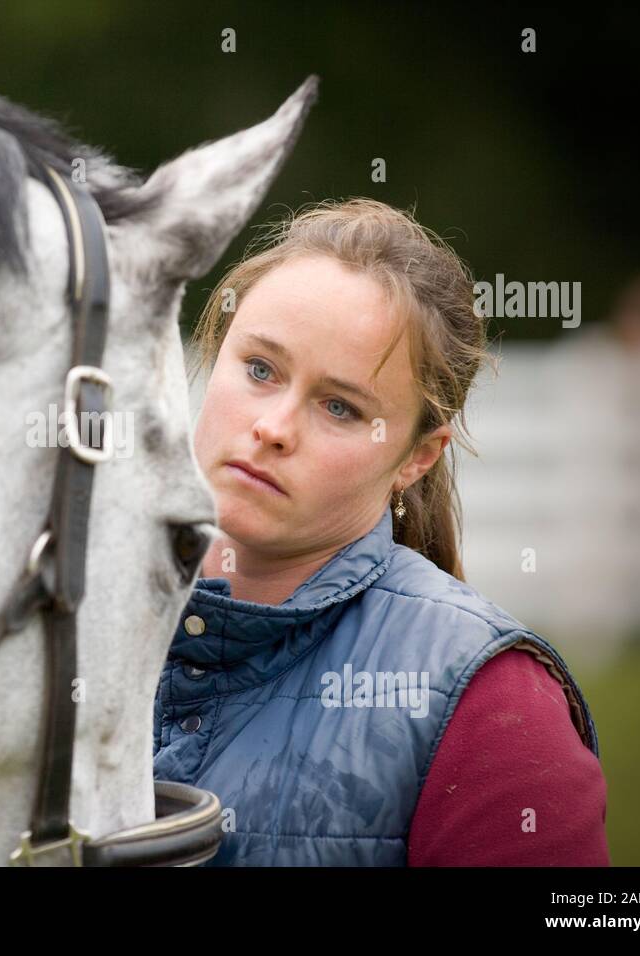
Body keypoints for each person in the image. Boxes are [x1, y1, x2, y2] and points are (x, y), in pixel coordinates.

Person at [156, 198, 609, 865]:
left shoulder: (495, 704)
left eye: (340, 407)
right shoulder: (70, 624)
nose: (273, 427)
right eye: (259, 369)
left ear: (418, 457)